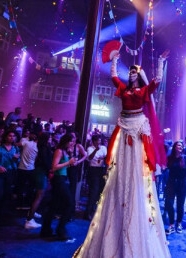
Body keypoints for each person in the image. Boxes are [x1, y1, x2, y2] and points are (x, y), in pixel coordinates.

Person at [73, 51, 171, 258]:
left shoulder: (143, 91)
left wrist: (160, 62)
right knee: (120, 163)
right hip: (124, 125)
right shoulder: (123, 89)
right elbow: (113, 77)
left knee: (138, 162)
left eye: (136, 71)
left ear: (139, 75)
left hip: (136, 126)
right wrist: (115, 60)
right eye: (132, 71)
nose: (133, 73)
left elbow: (158, 81)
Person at [40, 133, 77, 241]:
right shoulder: (59, 151)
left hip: (62, 179)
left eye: (73, 141)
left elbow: (66, 165)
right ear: (65, 141)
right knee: (69, 203)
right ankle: (60, 229)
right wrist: (68, 162)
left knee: (54, 206)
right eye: (71, 141)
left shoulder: (65, 151)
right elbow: (54, 167)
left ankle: (46, 230)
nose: (72, 143)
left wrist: (70, 161)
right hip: (58, 180)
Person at [165, 141, 186, 235]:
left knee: (180, 205)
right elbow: (165, 167)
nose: (180, 146)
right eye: (178, 145)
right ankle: (171, 224)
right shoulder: (170, 158)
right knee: (169, 203)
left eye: (181, 145)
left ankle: (179, 223)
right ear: (175, 147)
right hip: (171, 182)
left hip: (182, 183)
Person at [25, 133, 53, 229]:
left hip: (38, 171)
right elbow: (46, 162)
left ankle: (31, 214)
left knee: (37, 195)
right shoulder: (44, 148)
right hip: (41, 172)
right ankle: (29, 220)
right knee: (39, 196)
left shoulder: (41, 147)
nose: (51, 139)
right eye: (50, 138)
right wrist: (51, 169)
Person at [85, 134, 107, 220]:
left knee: (99, 191)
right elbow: (90, 158)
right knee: (93, 192)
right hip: (93, 170)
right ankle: (87, 213)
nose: (99, 143)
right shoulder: (90, 148)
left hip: (101, 170)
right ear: (93, 142)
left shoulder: (103, 148)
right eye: (97, 141)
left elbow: (105, 156)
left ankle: (94, 210)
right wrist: (95, 151)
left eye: (100, 141)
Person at [0, 130, 20, 219]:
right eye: (10, 136)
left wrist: (16, 159)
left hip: (11, 171)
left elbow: (18, 161)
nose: (12, 137)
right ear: (5, 137)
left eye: (13, 136)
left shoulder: (15, 148)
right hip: (1, 171)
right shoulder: (1, 147)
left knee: (7, 193)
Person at [67, 132, 87, 220]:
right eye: (70, 136)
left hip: (74, 169)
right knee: (65, 189)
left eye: (73, 137)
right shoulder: (67, 145)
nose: (72, 138)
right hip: (65, 168)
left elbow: (85, 155)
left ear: (76, 138)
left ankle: (71, 213)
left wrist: (78, 162)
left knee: (72, 190)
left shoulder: (78, 146)